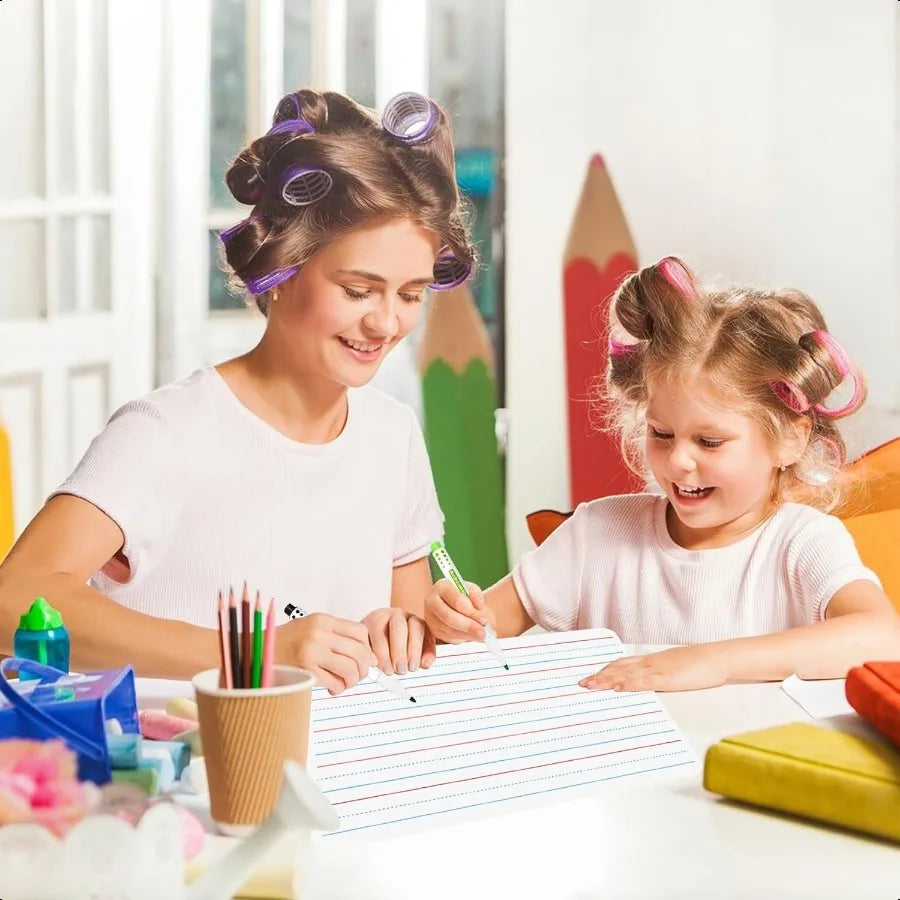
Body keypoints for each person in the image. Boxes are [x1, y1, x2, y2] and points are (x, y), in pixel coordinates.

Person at [0, 88, 475, 691]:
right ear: (280, 271)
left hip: (336, 767)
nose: (386, 323)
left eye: (410, 295)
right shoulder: (167, 433)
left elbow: (402, 629)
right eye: (358, 290)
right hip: (192, 768)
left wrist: (420, 630)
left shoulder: (393, 435)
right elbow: (16, 599)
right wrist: (257, 652)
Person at [425, 256, 900, 691]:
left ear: (790, 439)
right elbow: (482, 630)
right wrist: (456, 620)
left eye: (709, 441)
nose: (678, 461)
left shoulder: (802, 541)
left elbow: (882, 637)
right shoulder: (596, 533)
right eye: (662, 433)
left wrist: (714, 662)